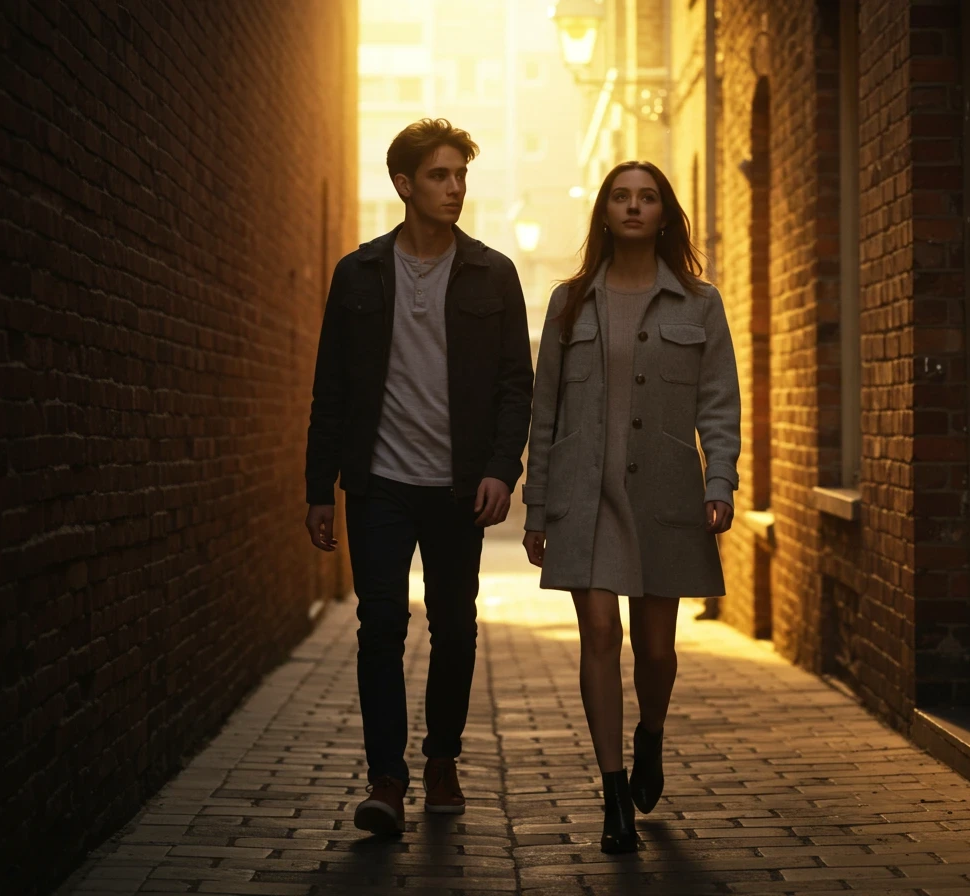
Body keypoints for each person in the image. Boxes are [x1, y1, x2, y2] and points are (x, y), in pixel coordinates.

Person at [304, 118, 532, 835]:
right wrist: (319, 488)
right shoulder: (359, 273)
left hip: (460, 487)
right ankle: (387, 779)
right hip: (380, 483)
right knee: (380, 627)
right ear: (404, 185)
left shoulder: (493, 272)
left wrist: (501, 469)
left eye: (461, 175)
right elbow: (331, 388)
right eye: (439, 175)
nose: (455, 187)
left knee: (455, 627)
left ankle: (441, 761)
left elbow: (514, 386)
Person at [522, 161, 741, 853]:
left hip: (665, 495)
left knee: (655, 649)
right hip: (584, 498)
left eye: (647, 197)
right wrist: (537, 509)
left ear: (665, 213)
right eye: (621, 196)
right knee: (599, 637)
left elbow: (719, 404)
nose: (634, 207)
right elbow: (545, 412)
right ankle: (614, 793)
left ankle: (650, 735)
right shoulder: (569, 302)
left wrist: (720, 482)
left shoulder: (699, 304)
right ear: (604, 212)